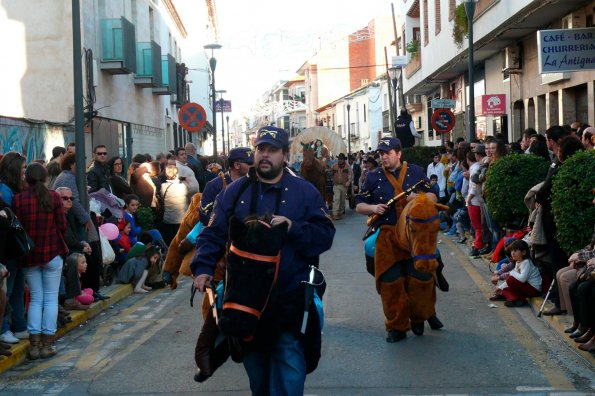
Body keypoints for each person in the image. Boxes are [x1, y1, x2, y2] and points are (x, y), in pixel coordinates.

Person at [191, 126, 335, 395]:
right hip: (245, 306)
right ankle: (210, 356)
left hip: (290, 301)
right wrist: (202, 268)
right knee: (259, 386)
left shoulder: (305, 193)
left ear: (284, 154)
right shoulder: (234, 192)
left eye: (272, 150)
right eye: (260, 149)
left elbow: (325, 236)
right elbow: (212, 233)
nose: (265, 155)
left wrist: (293, 227)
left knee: (289, 386)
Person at [355, 137, 440, 343]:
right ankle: (397, 326)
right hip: (387, 234)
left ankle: (420, 317)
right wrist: (373, 208)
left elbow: (433, 196)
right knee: (390, 283)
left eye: (388, 153)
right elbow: (359, 205)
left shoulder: (416, 172)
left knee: (421, 279)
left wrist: (418, 199)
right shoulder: (373, 176)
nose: (383, 157)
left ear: (399, 154)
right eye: (381, 153)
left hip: (414, 235)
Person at [13, 163, 68, 360]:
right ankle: (48, 343)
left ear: (26, 178)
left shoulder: (18, 200)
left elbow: (17, 229)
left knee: (36, 298)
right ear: (45, 178)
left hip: (29, 256)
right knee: (50, 299)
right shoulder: (53, 196)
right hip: (52, 252)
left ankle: (34, 345)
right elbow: (62, 225)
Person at [0, 152, 29, 345]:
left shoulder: (13, 189)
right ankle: (3, 329)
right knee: (7, 291)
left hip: (16, 247)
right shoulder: (5, 191)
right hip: (8, 248)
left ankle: (19, 326)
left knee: (17, 287)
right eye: (23, 168)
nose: (25, 172)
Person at [198, 147, 254, 226]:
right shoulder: (214, 185)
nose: (255, 165)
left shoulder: (255, 183)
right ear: (237, 165)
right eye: (250, 163)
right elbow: (204, 215)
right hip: (222, 235)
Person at [330, 153, 352, 220]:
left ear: (344, 160)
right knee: (337, 199)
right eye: (339, 159)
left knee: (342, 200)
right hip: (336, 185)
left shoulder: (348, 166)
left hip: (344, 186)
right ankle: (335, 214)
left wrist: (349, 181)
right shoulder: (334, 166)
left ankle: (340, 212)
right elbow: (330, 173)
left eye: (341, 159)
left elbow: (350, 175)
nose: (340, 160)